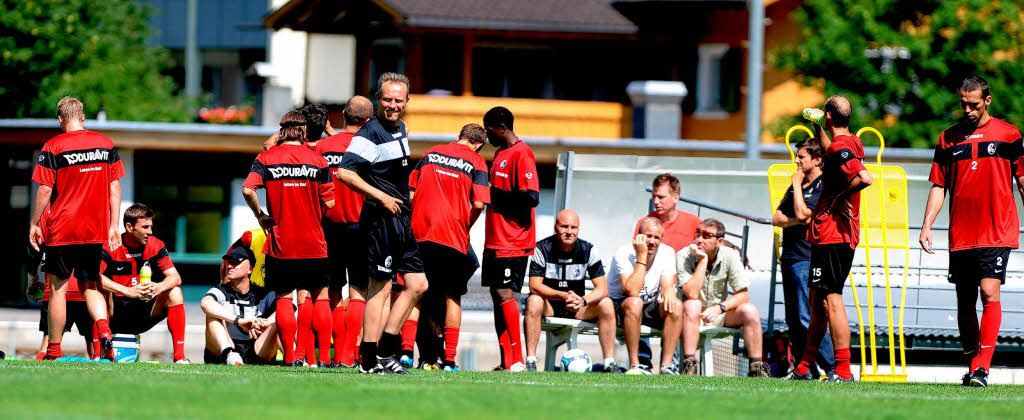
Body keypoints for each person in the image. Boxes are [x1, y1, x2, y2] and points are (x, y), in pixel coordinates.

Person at [921, 76, 1024, 387]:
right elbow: (939, 186)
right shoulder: (947, 139)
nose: (967, 109)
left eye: (973, 104)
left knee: (989, 292)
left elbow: (1022, 180)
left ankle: (982, 368)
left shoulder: (1009, 135)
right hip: (961, 233)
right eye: (963, 103)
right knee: (964, 300)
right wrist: (927, 224)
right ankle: (974, 361)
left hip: (997, 228)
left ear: (987, 101)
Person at [337, 72, 427, 375]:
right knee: (380, 289)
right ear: (378, 99)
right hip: (380, 221)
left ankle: (388, 351)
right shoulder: (369, 133)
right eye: (387, 99)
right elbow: (345, 173)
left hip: (402, 219)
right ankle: (369, 359)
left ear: (406, 102)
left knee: (418, 285)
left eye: (398, 100)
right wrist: (382, 197)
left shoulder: (401, 127)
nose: (392, 105)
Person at [29, 96, 124, 360]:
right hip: (95, 228)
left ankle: (53, 351)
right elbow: (115, 186)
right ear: (83, 117)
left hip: (62, 228)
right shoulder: (106, 144)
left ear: (60, 119)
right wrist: (113, 225)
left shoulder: (54, 145)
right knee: (90, 286)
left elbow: (45, 188)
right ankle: (104, 330)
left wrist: (34, 223)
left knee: (58, 288)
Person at [785, 95, 872, 382]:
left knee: (832, 299)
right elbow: (832, 151)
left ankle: (843, 371)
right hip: (827, 234)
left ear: (830, 117)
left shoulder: (844, 145)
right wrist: (815, 127)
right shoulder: (846, 142)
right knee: (818, 302)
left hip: (835, 233)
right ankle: (803, 367)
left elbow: (865, 177)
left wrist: (836, 197)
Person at [242, 110, 335, 367]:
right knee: (319, 298)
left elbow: (248, 189)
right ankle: (325, 360)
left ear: (282, 131)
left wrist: (260, 214)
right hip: (314, 242)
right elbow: (331, 200)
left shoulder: (267, 158)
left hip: (282, 243)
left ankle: (292, 358)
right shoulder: (318, 161)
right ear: (304, 131)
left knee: (285, 297)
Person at [407, 123, 490, 371]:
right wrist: (463, 226)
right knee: (452, 296)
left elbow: (410, 193)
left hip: (419, 233)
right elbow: (478, 204)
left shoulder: (430, 153)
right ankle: (451, 360)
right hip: (453, 236)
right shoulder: (477, 162)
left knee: (414, 294)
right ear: (478, 146)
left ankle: (404, 352)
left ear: (458, 137)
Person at [481, 106, 540, 372]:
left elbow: (531, 197)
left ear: (502, 128)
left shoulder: (522, 153)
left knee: (505, 293)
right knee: (497, 295)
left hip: (513, 239)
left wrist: (492, 194)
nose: (487, 134)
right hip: (494, 238)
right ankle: (506, 361)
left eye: (489, 129)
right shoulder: (500, 153)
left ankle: (518, 359)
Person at [317, 95, 373, 368]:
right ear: (369, 120)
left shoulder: (322, 147)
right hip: (362, 227)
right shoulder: (371, 147)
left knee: (333, 292)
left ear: (343, 114)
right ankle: (349, 356)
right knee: (359, 290)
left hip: (328, 227)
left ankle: (329, 356)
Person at [524, 210, 619, 372]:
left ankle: (609, 363)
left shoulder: (588, 249)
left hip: (577, 307)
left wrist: (583, 301)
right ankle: (531, 362)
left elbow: (603, 289)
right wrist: (563, 296)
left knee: (607, 303)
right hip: (550, 307)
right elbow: (535, 286)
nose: (569, 232)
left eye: (573, 227)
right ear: (555, 227)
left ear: (578, 229)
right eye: (564, 226)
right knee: (533, 300)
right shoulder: (542, 248)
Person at [772, 139, 835, 379]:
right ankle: (804, 370)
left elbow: (802, 213)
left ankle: (832, 368)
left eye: (801, 157)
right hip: (790, 256)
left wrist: (797, 188)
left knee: (808, 316)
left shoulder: (821, 184)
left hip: (808, 257)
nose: (796, 161)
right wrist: (797, 219)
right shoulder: (798, 185)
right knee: (793, 319)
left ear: (817, 160)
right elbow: (777, 217)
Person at [678, 219, 770, 377]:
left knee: (750, 310)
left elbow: (743, 295)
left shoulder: (731, 255)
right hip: (690, 317)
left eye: (706, 236)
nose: (699, 240)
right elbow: (691, 293)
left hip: (719, 314)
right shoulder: (684, 255)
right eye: (698, 234)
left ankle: (756, 368)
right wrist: (703, 260)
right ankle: (690, 366)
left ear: (719, 241)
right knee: (692, 304)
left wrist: (720, 307)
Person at [99, 204, 188, 363]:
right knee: (98, 291)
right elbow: (94, 277)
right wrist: (127, 291)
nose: (150, 232)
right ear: (129, 227)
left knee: (175, 292)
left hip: (144, 311)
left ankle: (179, 357)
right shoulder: (111, 245)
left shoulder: (156, 244)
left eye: (151, 227)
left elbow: (176, 277)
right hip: (116, 312)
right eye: (145, 227)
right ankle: (100, 355)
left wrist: (159, 287)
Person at [607, 217, 682, 375]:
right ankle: (636, 365)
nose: (652, 241)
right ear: (638, 237)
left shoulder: (667, 252)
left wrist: (669, 291)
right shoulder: (624, 253)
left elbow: (667, 284)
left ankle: (667, 366)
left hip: (646, 306)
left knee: (676, 306)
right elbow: (632, 291)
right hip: (618, 307)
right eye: (648, 236)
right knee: (635, 302)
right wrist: (642, 255)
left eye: (657, 237)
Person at [201, 245, 279, 365]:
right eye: (228, 262)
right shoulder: (221, 291)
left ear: (250, 269)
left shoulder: (263, 294)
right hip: (226, 350)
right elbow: (205, 303)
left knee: (281, 317)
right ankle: (230, 354)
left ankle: (296, 359)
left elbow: (290, 308)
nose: (229, 266)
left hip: (258, 350)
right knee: (211, 314)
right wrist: (239, 321)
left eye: (236, 262)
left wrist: (266, 322)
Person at [635, 173, 702, 251]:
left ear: (675, 198)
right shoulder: (644, 223)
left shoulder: (694, 223)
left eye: (661, 197)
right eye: (654, 196)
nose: (656, 201)